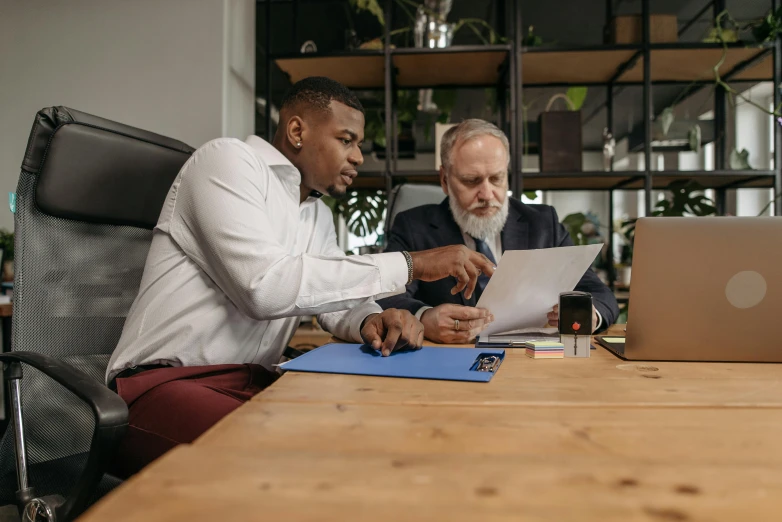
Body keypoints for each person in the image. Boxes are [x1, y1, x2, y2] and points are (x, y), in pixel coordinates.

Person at [106, 78, 495, 476]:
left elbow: (333, 304)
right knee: (303, 461)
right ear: (297, 131)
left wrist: (370, 319)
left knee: (374, 433)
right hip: (163, 387)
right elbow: (265, 288)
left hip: (257, 380)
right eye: (347, 140)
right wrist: (411, 264)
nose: (359, 156)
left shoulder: (316, 214)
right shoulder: (226, 162)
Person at [378, 119, 619, 344]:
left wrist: (588, 313)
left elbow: (599, 293)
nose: (487, 195)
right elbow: (386, 295)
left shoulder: (543, 224)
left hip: (531, 360)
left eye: (497, 179)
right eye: (472, 181)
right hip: (451, 361)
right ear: (444, 180)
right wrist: (424, 316)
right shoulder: (414, 227)